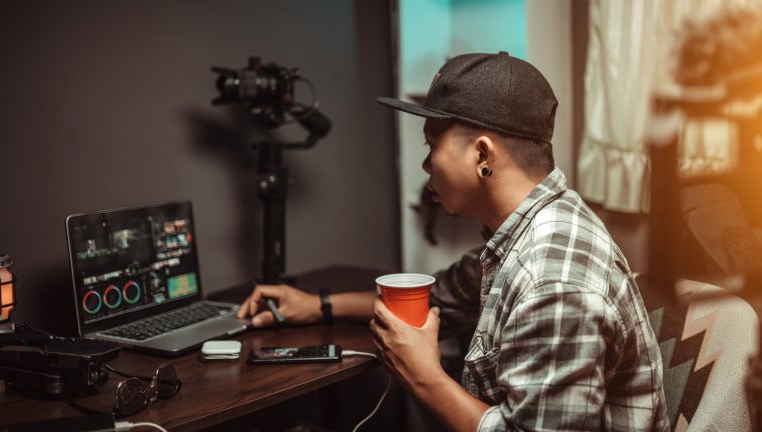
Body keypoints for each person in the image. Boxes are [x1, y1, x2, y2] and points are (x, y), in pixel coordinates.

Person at [238, 52, 669, 432]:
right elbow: (441, 293)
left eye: (432, 146)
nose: (426, 164)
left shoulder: (552, 281)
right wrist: (316, 305)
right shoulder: (528, 230)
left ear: (482, 155)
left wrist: (423, 376)